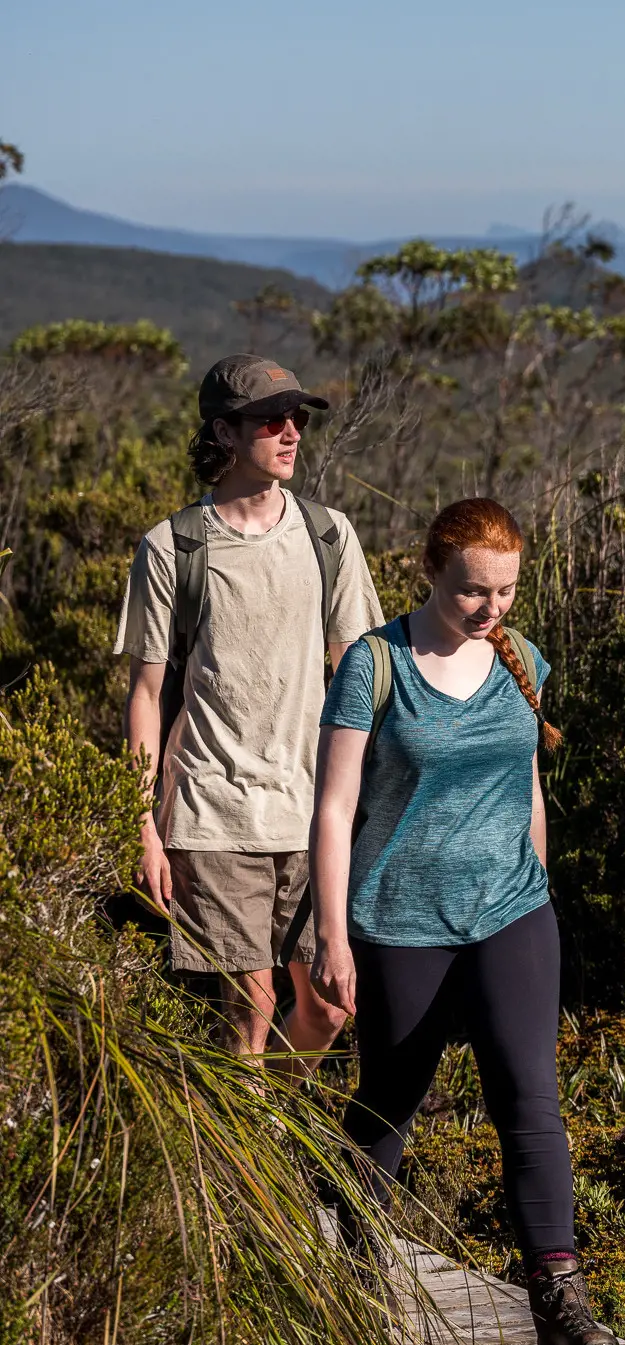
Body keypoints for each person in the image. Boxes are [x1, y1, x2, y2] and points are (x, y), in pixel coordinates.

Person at [309, 497, 621, 1345]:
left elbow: (527, 787)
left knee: (530, 1098)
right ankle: (353, 1271)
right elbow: (333, 809)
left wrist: (541, 890)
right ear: (432, 571)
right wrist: (333, 936)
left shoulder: (520, 659)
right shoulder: (375, 665)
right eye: (474, 593)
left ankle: (561, 1311)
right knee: (389, 1104)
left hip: (512, 912)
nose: (492, 609)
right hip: (400, 919)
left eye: (508, 591)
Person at [119, 354, 383, 1073]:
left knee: (328, 1006)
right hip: (213, 811)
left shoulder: (330, 538)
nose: (291, 431)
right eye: (272, 419)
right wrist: (143, 825)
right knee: (252, 1007)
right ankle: (249, 1175)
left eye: (297, 417)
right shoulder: (172, 546)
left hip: (310, 813)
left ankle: (269, 1132)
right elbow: (145, 696)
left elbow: (357, 680)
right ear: (224, 433)